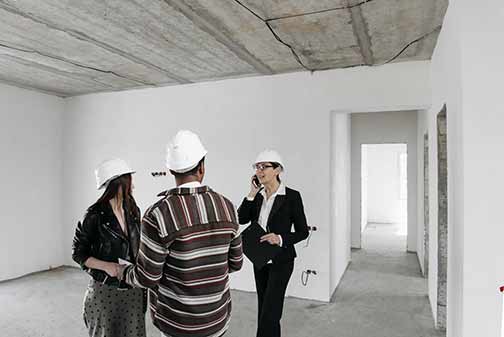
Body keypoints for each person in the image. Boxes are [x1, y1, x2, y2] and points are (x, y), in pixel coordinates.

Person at [119, 130, 243, 337]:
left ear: (170, 170)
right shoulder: (228, 207)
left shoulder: (158, 214)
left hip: (177, 325)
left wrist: (121, 272)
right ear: (202, 167)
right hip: (217, 320)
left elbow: (147, 278)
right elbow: (236, 263)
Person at [237, 149, 309, 337]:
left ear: (278, 170)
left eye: (265, 167)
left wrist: (280, 238)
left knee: (271, 311)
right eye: (257, 167)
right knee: (265, 307)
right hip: (260, 259)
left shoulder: (292, 196)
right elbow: (241, 218)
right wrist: (251, 193)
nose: (260, 171)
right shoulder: (257, 196)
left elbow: (303, 232)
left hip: (281, 261)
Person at [72, 158, 146, 337]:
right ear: (119, 183)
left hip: (132, 288)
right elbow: (78, 253)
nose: (133, 186)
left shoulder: (133, 209)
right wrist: (108, 266)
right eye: (130, 181)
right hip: (106, 291)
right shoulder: (93, 215)